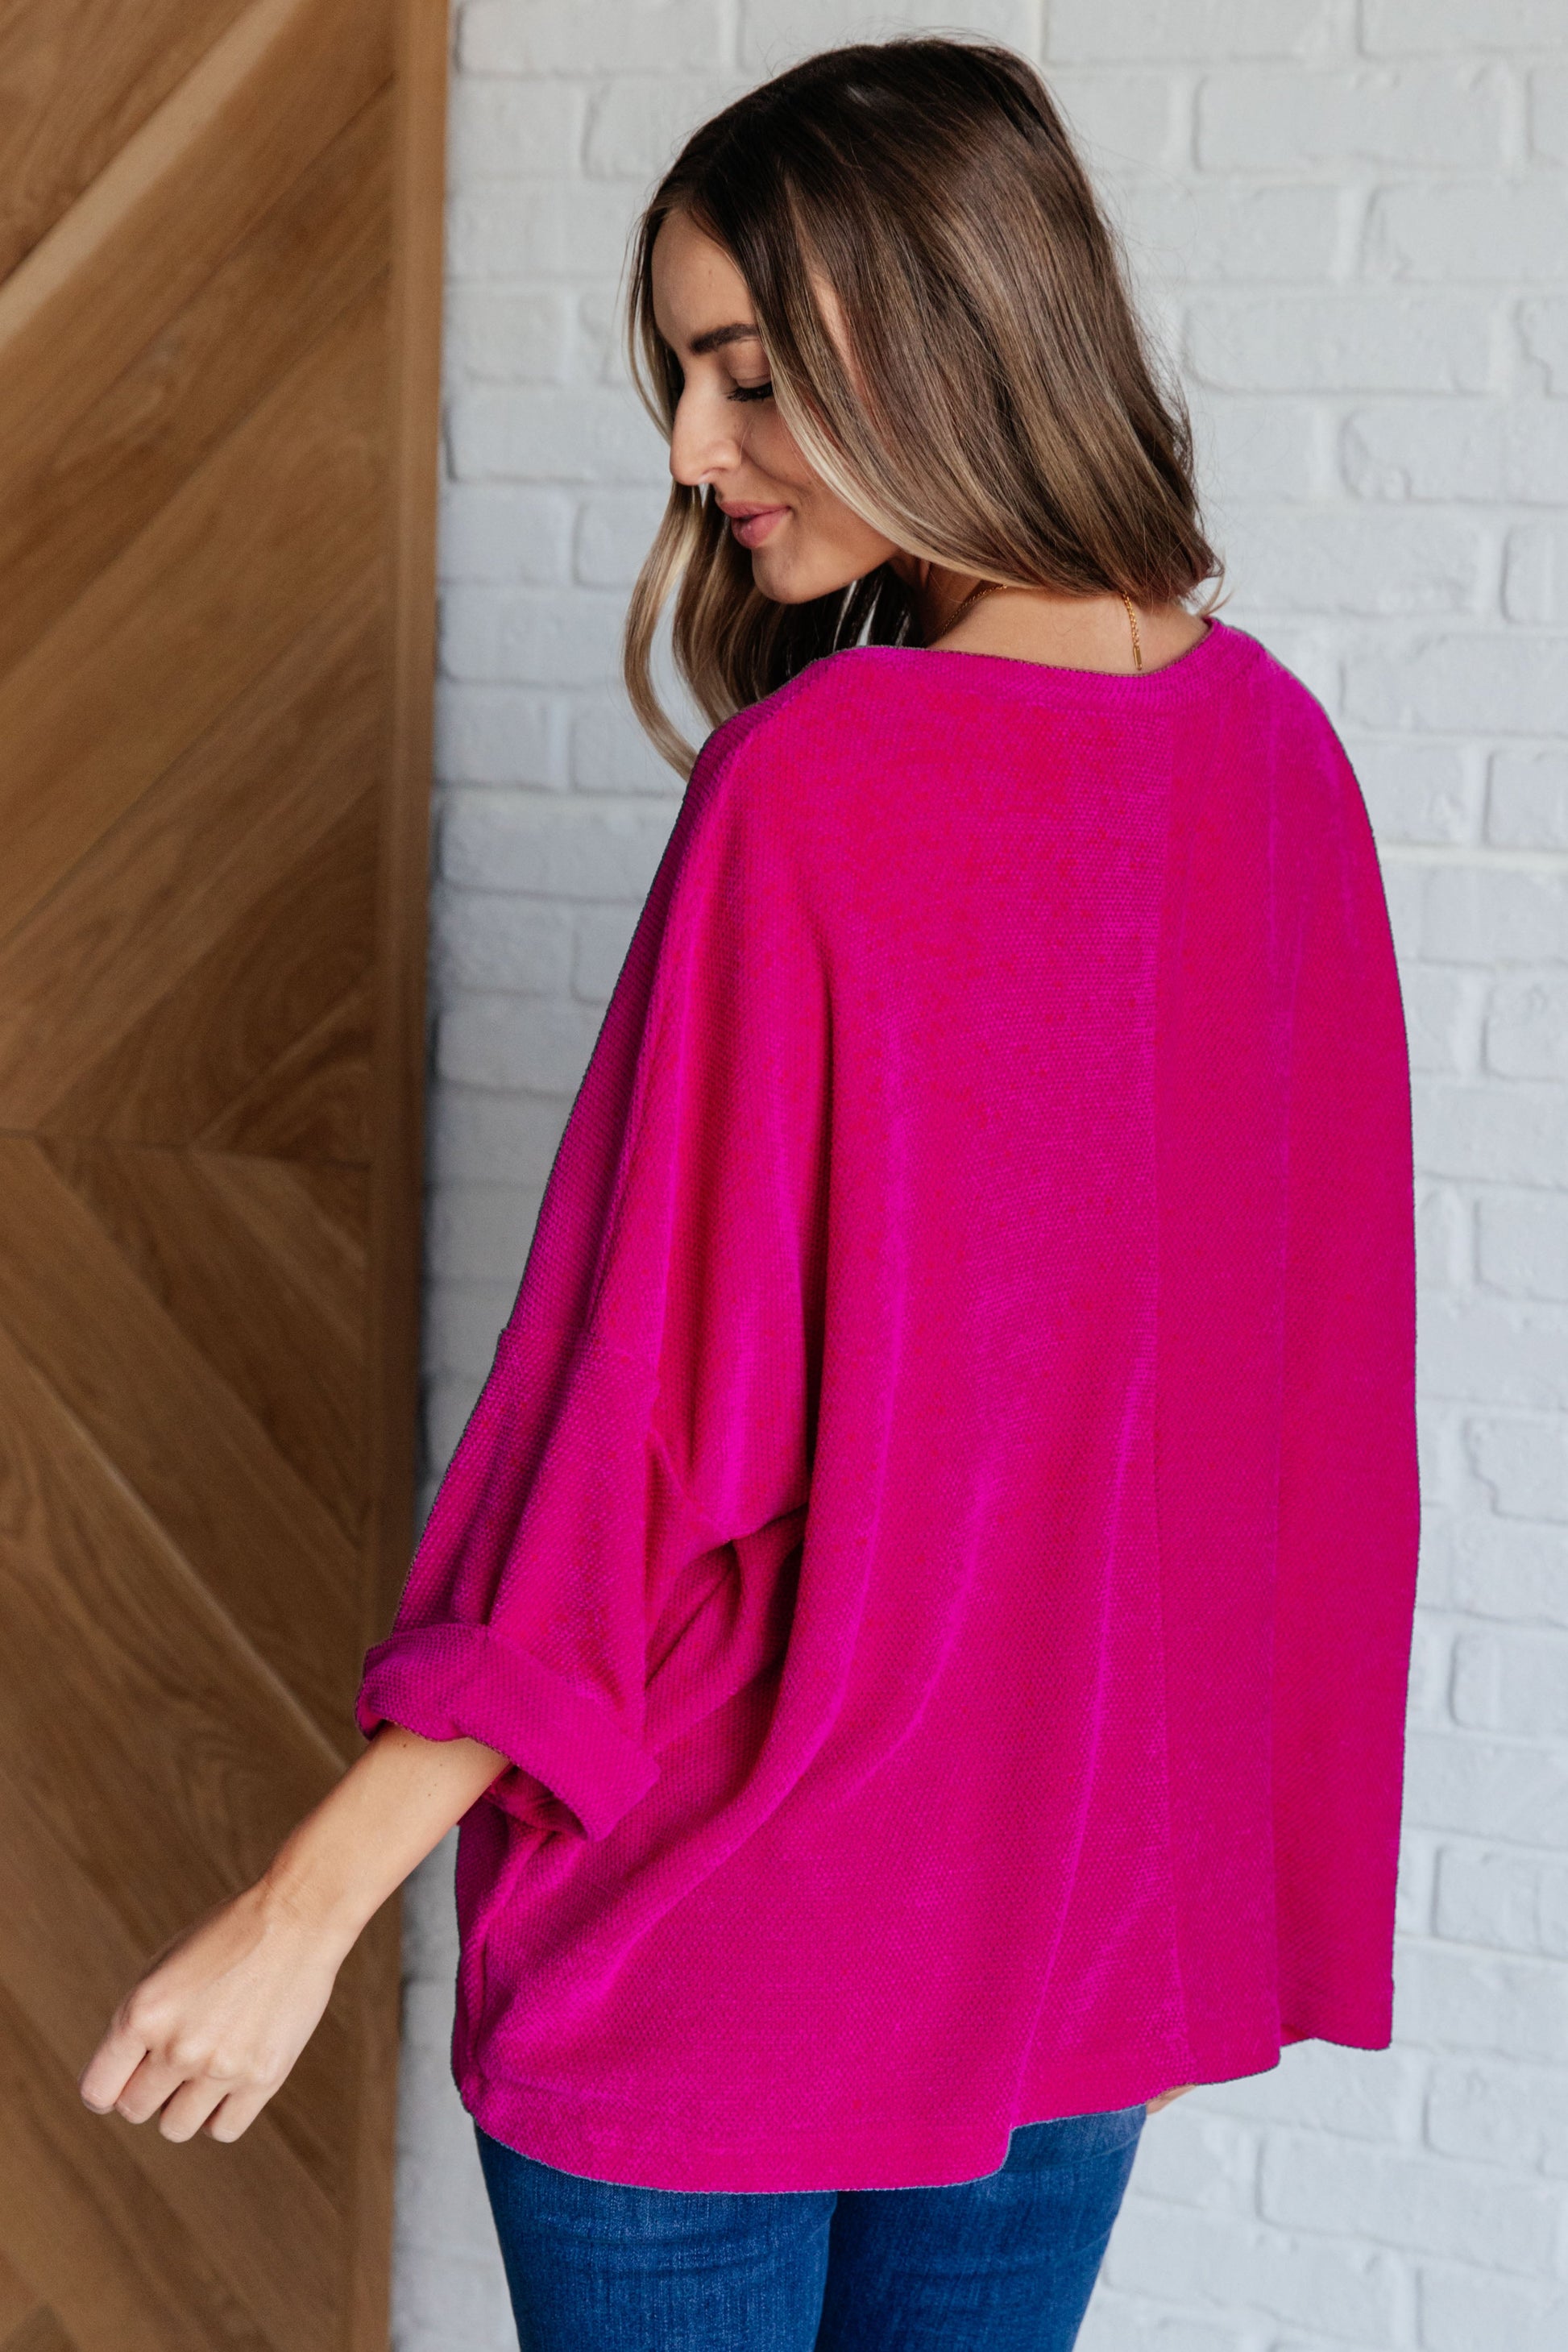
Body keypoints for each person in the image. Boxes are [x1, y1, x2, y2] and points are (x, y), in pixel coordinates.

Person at [79, 35, 1421, 2352]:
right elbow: (1293, 1429)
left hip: (738, 1945)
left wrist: (307, 1900)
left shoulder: (829, 784)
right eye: (689, 380)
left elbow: (632, 1436)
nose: (695, 455)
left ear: (938, 334)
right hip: (1076, 1942)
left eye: (747, 374)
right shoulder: (1279, 760)